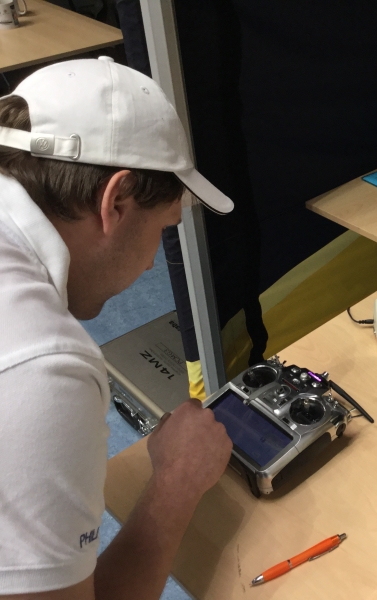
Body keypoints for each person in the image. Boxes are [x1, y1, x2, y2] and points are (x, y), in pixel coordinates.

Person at [0, 58, 234, 599]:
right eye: (163, 229)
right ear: (117, 201)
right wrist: (176, 483)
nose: (152, 265)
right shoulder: (44, 369)